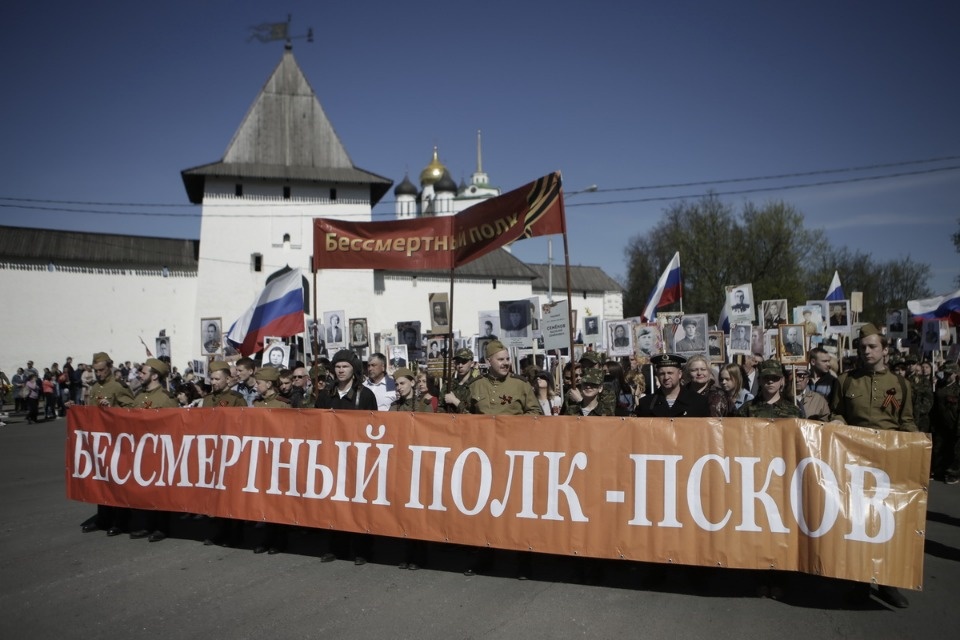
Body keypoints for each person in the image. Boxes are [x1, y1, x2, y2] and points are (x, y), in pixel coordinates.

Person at [829, 323, 915, 609]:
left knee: (889, 523)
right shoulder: (846, 381)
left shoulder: (901, 384)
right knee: (859, 522)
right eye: (862, 347)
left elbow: (907, 422)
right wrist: (837, 421)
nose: (867, 351)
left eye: (872, 346)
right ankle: (859, 582)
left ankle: (888, 582)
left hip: (890, 462)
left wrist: (915, 449)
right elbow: (838, 412)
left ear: (885, 350)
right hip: (855, 461)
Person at [79, 352, 135, 536]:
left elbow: (131, 410)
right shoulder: (95, 387)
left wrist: (112, 409)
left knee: (118, 482)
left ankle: (121, 521)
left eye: (102, 370)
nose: (98, 374)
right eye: (96, 371)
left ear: (110, 367)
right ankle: (103, 519)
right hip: (100, 441)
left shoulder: (118, 386)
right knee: (101, 481)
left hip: (117, 441)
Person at [127, 359, 178, 543]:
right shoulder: (139, 396)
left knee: (160, 491)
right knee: (143, 490)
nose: (140, 375)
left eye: (144, 372)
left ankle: (161, 527)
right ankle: (146, 524)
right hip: (141, 451)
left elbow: (175, 425)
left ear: (154, 375)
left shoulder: (166, 398)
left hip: (160, 451)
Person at [459, 341, 541, 415]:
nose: (506, 363)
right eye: (501, 359)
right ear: (488, 361)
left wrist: (515, 423)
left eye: (507, 359)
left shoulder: (521, 384)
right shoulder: (475, 385)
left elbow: (535, 412)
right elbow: (466, 413)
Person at [634, 354, 710, 418]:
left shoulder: (698, 402)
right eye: (662, 374)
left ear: (679, 374)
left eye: (670, 373)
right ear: (657, 375)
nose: (666, 377)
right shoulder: (646, 403)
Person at [932, 362, 959, 484]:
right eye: (946, 373)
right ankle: (939, 470)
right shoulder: (940, 385)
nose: (948, 376)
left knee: (954, 450)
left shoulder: (957, 388)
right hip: (941, 422)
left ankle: (953, 473)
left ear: (955, 374)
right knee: (939, 448)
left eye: (950, 374)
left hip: (954, 423)